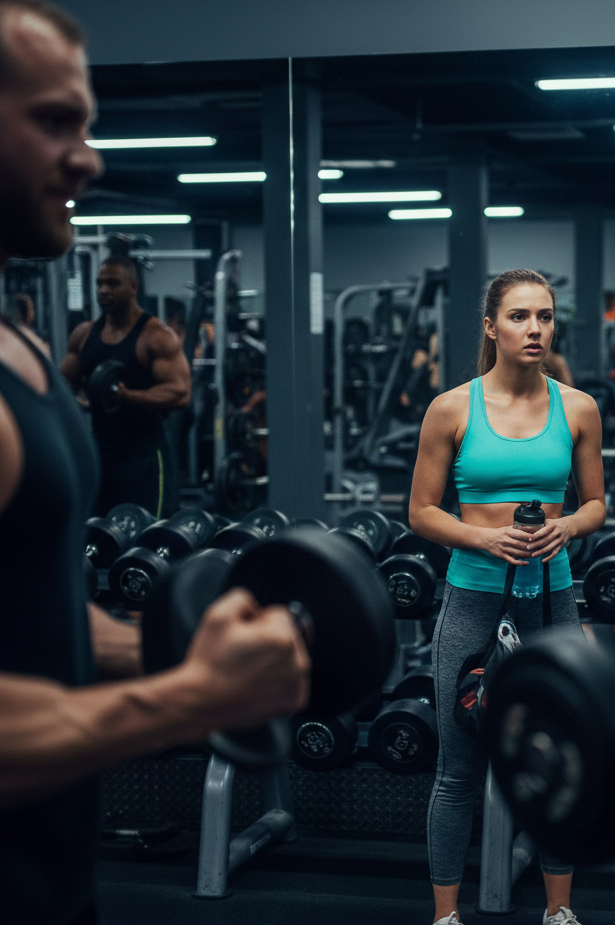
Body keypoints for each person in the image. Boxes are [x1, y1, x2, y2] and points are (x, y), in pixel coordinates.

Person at [0, 4, 311, 922]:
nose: (91, 157)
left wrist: (165, 649)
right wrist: (189, 697)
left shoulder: (23, 349)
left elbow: (39, 611)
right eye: (56, 120)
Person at [409, 268, 606, 925]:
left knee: (557, 757)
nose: (536, 329)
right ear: (491, 326)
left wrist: (568, 525)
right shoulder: (452, 408)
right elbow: (421, 511)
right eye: (520, 316)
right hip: (472, 598)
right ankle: (445, 915)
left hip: (550, 601)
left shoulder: (576, 407)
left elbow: (597, 503)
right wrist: (484, 538)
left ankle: (558, 910)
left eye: (546, 316)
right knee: (458, 768)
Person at [59, 254, 191, 518]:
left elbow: (180, 393)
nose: (103, 290)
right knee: (98, 536)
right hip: (98, 455)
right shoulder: (83, 335)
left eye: (113, 283)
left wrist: (127, 396)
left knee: (148, 538)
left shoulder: (156, 336)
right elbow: (60, 388)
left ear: (133, 287)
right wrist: (81, 402)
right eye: (99, 284)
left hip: (144, 458)